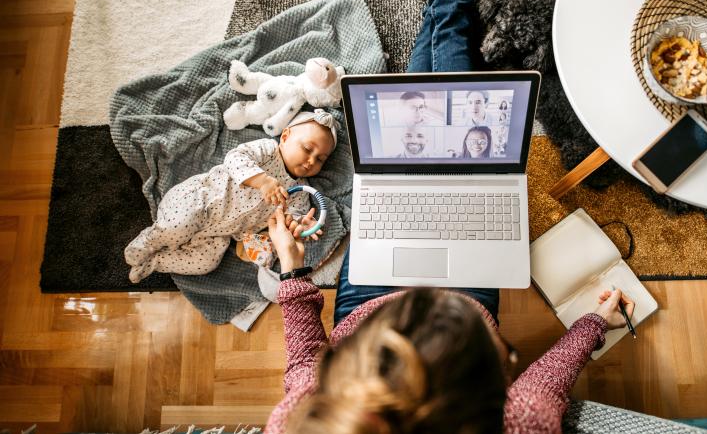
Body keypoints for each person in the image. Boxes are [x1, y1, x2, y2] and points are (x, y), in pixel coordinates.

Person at [266, 205, 635, 433]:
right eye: (506, 355)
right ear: (495, 403)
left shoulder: (309, 421)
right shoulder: (523, 425)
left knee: (400, 183)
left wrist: (291, 267)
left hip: (366, 299)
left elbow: (303, 361)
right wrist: (594, 324)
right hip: (465, 293)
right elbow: (547, 384)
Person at [124, 110, 335, 283]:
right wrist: (262, 180)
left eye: (320, 160)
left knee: (206, 262)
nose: (310, 161)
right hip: (201, 201)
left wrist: (301, 224)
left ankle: (155, 262)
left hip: (219, 234)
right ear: (286, 136)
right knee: (178, 226)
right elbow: (234, 158)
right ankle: (149, 242)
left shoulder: (299, 191)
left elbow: (289, 218)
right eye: (307, 149)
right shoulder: (268, 150)